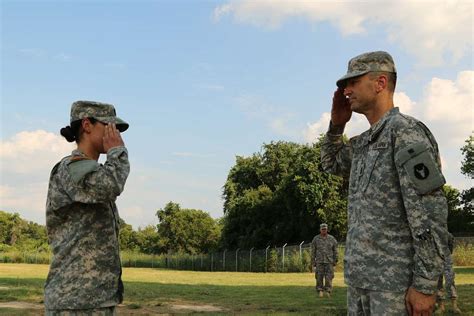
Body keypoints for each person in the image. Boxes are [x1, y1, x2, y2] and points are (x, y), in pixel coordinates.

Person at [320, 51, 448, 315]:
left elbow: (429, 213)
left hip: (395, 287)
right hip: (361, 283)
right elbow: (330, 163)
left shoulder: (404, 132)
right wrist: (336, 126)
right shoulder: (364, 143)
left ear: (380, 83)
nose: (346, 89)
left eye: (354, 81)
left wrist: (425, 285)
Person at [44, 100, 130, 315]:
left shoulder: (92, 170)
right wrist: (117, 151)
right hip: (76, 300)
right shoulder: (73, 167)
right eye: (108, 126)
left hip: (94, 299)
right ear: (87, 125)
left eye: (117, 129)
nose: (115, 133)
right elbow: (111, 186)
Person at [311, 223, 338, 298]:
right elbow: (313, 251)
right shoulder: (316, 239)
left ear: (327, 229)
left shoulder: (332, 239)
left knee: (329, 277)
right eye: (322, 229)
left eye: (325, 229)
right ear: (320, 230)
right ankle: (320, 290)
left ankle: (328, 291)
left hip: (329, 261)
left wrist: (335, 261)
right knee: (319, 276)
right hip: (319, 261)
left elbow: (335, 250)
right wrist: (313, 262)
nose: (324, 230)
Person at [436, 233, 461, 314]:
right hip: (436, 260)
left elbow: (451, 246)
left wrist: (446, 255)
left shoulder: (447, 234)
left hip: (447, 260)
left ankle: (455, 307)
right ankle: (441, 307)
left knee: (450, 281)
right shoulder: (433, 234)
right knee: (438, 283)